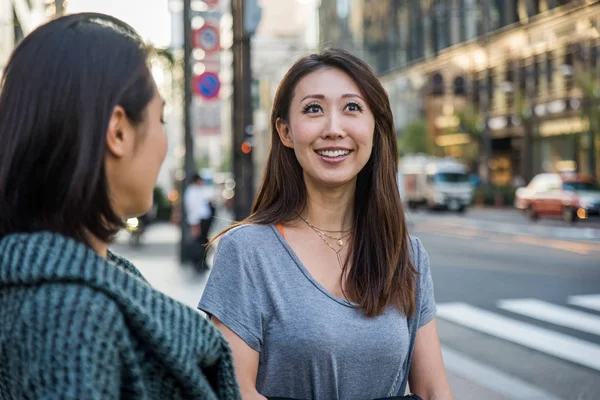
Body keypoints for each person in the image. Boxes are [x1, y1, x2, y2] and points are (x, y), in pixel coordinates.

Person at [0, 13, 240, 400]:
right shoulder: (70, 317)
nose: (163, 143)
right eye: (159, 117)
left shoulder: (66, 281)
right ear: (118, 131)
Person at [198, 49, 454, 400]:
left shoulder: (405, 253)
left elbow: (433, 390)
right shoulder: (247, 251)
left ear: (375, 128)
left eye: (352, 108)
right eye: (313, 109)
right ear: (285, 132)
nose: (334, 129)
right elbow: (235, 391)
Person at [184, 173, 214, 269]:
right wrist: (194, 224)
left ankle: (202, 261)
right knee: (200, 242)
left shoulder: (198, 190)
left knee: (204, 242)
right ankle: (198, 261)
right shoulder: (191, 192)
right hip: (198, 221)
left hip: (203, 220)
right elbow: (192, 208)